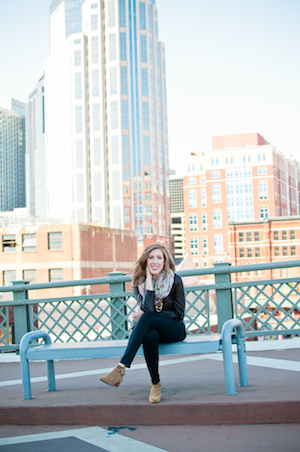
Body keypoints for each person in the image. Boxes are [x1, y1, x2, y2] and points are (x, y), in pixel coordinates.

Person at [100, 243, 186, 403]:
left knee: (146, 318)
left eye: (159, 258)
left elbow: (179, 315)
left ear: (165, 261)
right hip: (153, 329)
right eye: (151, 257)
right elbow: (147, 307)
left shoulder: (175, 281)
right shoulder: (138, 283)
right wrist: (148, 283)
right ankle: (155, 384)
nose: (155, 261)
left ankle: (122, 367)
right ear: (145, 261)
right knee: (149, 336)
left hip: (175, 329)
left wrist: (151, 315)